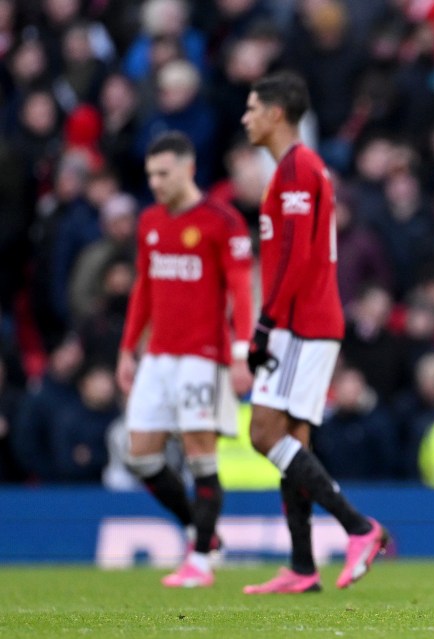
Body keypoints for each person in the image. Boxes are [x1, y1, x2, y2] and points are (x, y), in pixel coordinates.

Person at [240, 71, 388, 595]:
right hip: (303, 320)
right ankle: (303, 565)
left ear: (276, 113)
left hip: (301, 322)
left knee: (264, 434)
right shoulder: (294, 169)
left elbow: (298, 258)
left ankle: (359, 527)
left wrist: (265, 321)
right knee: (294, 442)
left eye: (253, 108)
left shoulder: (299, 167)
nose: (245, 117)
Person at [116, 131, 254, 588]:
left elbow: (241, 288)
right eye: (150, 174)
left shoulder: (221, 221)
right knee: (140, 456)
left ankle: (200, 559)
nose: (155, 182)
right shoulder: (150, 221)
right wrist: (126, 348)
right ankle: (204, 533)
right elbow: (144, 289)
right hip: (157, 357)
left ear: (187, 168)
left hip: (204, 356)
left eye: (163, 173)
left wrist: (241, 351)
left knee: (200, 454)